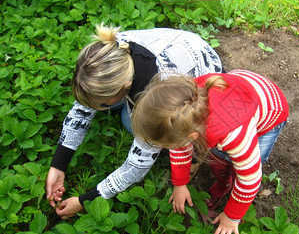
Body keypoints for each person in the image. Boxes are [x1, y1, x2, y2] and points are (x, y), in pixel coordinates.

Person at [46, 23, 224, 219]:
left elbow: (136, 165)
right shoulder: (111, 53)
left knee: (131, 123)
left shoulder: (156, 97)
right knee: (122, 113)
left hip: (199, 68)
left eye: (101, 102)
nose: (92, 107)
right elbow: (81, 110)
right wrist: (58, 165)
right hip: (178, 46)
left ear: (126, 85)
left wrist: (84, 200)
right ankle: (115, 104)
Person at [131, 70, 289, 234]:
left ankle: (233, 187)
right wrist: (180, 183)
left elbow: (250, 179)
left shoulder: (234, 135)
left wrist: (232, 217)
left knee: (244, 166)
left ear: (191, 135)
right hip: (240, 90)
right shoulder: (184, 109)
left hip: (270, 111)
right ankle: (224, 183)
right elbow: (180, 146)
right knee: (220, 158)